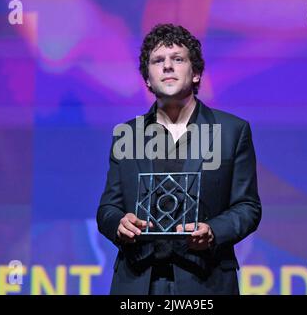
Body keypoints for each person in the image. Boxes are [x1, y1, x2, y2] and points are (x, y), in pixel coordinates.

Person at [97, 24, 262, 295]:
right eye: (158, 61)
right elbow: (107, 208)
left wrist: (213, 231)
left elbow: (248, 207)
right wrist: (119, 223)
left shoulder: (232, 131)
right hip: (139, 281)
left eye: (178, 59)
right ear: (148, 79)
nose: (167, 67)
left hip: (205, 279)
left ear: (195, 73)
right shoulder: (126, 134)